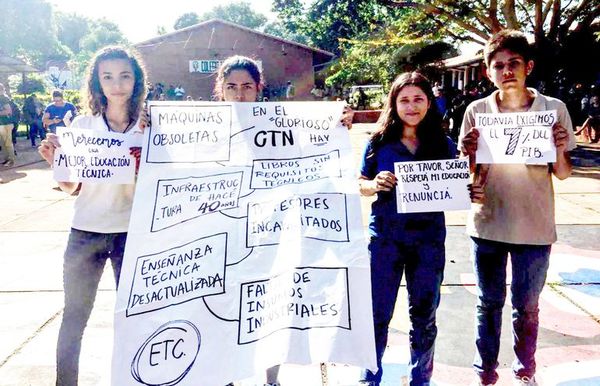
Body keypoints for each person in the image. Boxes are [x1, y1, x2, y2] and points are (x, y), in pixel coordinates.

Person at [459, 30, 575, 386]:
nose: (506, 70)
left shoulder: (554, 109)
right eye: (498, 65)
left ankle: (525, 370)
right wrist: (467, 155)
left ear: (529, 67)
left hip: (535, 228)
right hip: (487, 225)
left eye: (513, 64)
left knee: (527, 308)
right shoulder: (476, 112)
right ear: (487, 71)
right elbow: (468, 179)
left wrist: (557, 147)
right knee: (488, 305)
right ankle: (485, 373)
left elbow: (564, 173)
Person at [38, 45, 147, 386]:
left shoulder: (153, 125)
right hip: (85, 233)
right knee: (75, 316)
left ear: (137, 80)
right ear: (97, 82)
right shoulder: (82, 126)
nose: (117, 84)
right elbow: (73, 188)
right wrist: (55, 161)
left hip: (134, 234)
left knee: (134, 318)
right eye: (108, 76)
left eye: (125, 76)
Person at [358, 72, 456, 386]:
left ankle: (421, 379)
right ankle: (370, 376)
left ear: (429, 102)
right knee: (377, 313)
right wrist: (373, 184)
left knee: (425, 315)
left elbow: (458, 186)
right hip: (385, 239)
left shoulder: (443, 144)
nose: (411, 107)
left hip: (428, 242)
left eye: (418, 99)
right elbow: (359, 183)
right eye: (404, 100)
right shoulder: (377, 143)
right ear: (394, 103)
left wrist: (471, 188)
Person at [0, 83, 16, 167]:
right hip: (1, 124)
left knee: (7, 143)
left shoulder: (4, 99)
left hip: (6, 123)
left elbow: (8, 111)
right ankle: (6, 159)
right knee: (2, 143)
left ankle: (11, 159)